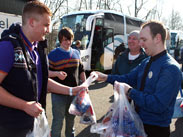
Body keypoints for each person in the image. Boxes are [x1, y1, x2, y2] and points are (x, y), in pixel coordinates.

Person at [0, 1, 85, 137]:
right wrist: (25, 105)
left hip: (33, 124)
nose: (49, 30)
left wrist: (72, 90)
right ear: (32, 22)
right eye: (46, 25)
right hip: (11, 128)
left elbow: (42, 82)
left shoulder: (38, 49)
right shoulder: (8, 47)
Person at [95, 21, 182, 137]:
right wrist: (105, 77)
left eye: (144, 40)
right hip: (138, 123)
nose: (140, 43)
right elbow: (129, 78)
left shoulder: (170, 68)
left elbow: (158, 104)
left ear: (157, 38)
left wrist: (130, 92)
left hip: (155, 129)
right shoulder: (146, 62)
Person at [48, 27, 86, 137]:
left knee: (71, 122)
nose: (68, 42)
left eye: (69, 39)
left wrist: (84, 84)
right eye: (65, 39)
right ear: (60, 40)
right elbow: (45, 73)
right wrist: (56, 74)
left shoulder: (76, 53)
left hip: (74, 93)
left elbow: (81, 71)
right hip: (58, 94)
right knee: (57, 122)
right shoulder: (52, 55)